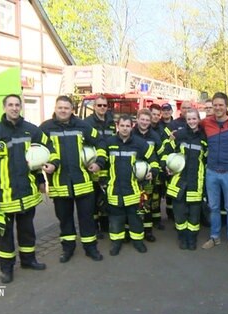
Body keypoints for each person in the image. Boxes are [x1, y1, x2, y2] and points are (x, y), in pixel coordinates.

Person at [0, 94, 56, 283]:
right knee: (5, 234)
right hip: (4, 194)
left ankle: (29, 260)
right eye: (10, 105)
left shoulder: (31, 130)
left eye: (17, 105)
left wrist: (43, 175)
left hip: (27, 192)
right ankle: (7, 269)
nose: (14, 108)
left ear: (21, 107)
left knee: (27, 230)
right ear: (4, 107)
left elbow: (46, 150)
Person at [40, 95, 106, 264]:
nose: (63, 110)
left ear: (72, 110)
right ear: (55, 108)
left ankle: (91, 248)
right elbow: (36, 152)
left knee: (87, 219)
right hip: (59, 184)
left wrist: (99, 163)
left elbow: (101, 143)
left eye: (66, 108)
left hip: (83, 183)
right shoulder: (45, 128)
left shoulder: (83, 126)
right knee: (65, 220)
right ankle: (68, 249)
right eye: (60, 107)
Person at [104, 115, 160, 256]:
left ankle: (138, 242)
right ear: (118, 126)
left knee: (135, 218)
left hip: (134, 189)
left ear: (131, 126)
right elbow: (102, 162)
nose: (124, 128)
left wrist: (153, 171)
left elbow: (153, 158)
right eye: (122, 126)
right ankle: (116, 243)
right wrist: (103, 182)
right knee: (116, 219)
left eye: (127, 126)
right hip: (114, 189)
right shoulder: (109, 142)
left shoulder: (139, 143)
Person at [200, 92, 228, 252]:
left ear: (226, 106)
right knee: (214, 207)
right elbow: (190, 127)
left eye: (220, 105)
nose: (217, 108)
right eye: (215, 105)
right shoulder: (206, 123)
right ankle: (214, 237)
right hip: (211, 172)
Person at [162, 109, 207, 250]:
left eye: (194, 119)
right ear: (185, 120)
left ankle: (192, 238)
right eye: (189, 119)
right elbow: (166, 151)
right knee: (179, 212)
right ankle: (182, 236)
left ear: (198, 119)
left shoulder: (204, 138)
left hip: (196, 181)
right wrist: (165, 165)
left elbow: (207, 159)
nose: (192, 121)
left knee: (194, 215)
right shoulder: (179, 135)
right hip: (179, 180)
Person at [83, 95, 116, 238]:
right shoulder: (87, 122)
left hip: (108, 164)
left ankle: (105, 225)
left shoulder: (110, 121)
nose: (102, 108)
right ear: (94, 106)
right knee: (93, 198)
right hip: (93, 164)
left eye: (104, 105)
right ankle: (94, 227)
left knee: (105, 195)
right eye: (99, 105)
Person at [132, 109, 165, 242]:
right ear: (137, 119)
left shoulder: (155, 136)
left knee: (147, 204)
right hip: (132, 175)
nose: (145, 122)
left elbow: (162, 154)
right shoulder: (131, 133)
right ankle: (132, 230)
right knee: (133, 203)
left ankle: (147, 231)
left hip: (149, 176)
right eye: (142, 119)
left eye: (147, 120)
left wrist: (157, 169)